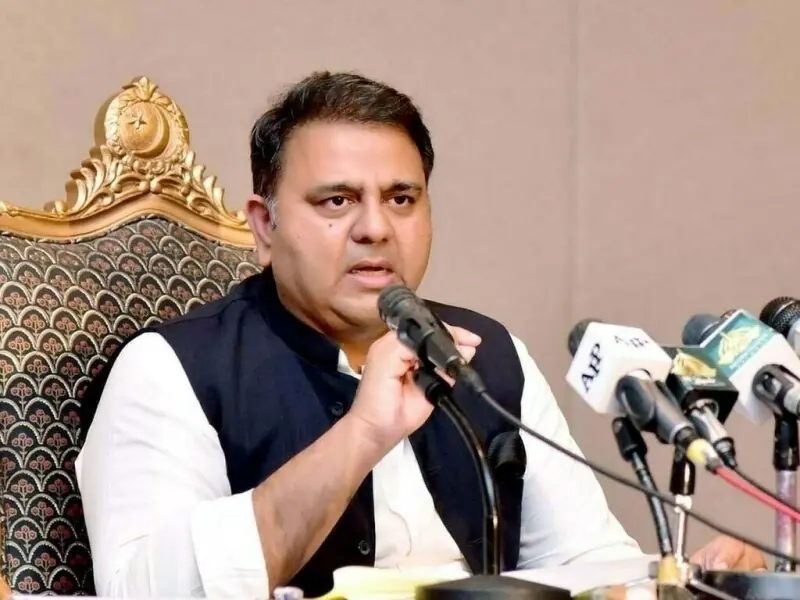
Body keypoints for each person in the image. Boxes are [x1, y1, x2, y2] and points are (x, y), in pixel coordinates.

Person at [75, 71, 765, 599]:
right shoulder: (172, 369)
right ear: (264, 226)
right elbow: (146, 591)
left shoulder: (489, 357)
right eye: (337, 200)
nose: (375, 228)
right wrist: (361, 435)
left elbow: (585, 565)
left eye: (401, 199)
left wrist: (688, 582)